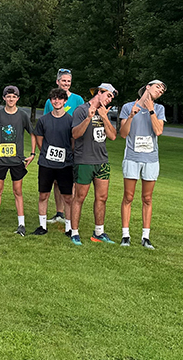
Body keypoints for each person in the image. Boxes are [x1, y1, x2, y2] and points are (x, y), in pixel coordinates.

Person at [119, 80, 167, 249]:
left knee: (147, 198)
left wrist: (151, 109)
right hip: (132, 157)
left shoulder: (159, 109)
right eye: (158, 87)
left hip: (151, 159)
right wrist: (131, 115)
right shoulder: (127, 107)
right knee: (128, 197)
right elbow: (123, 134)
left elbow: (158, 131)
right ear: (148, 87)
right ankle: (126, 235)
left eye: (162, 90)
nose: (160, 91)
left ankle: (145, 237)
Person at [70, 83, 118, 246]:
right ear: (99, 92)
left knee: (102, 198)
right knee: (79, 197)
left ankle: (99, 232)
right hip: (84, 160)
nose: (110, 99)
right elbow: (75, 134)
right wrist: (89, 117)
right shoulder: (81, 110)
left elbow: (112, 136)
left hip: (102, 161)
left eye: (112, 97)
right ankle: (74, 232)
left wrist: (104, 116)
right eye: (108, 95)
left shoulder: (105, 111)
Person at [0, 86, 35, 236]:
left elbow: (33, 133)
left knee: (17, 191)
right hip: (0, 159)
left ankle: (21, 225)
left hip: (17, 160)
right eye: (8, 96)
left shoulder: (22, 115)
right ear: (4, 98)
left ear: (18, 99)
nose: (11, 99)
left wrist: (32, 153)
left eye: (14, 97)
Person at [42, 68, 85, 225]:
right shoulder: (50, 101)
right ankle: (59, 212)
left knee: (70, 181)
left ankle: (71, 213)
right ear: (57, 82)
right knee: (55, 181)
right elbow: (47, 121)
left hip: (72, 144)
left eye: (68, 81)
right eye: (63, 81)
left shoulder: (78, 100)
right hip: (55, 144)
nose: (66, 84)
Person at [33, 88, 74, 236]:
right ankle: (42, 226)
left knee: (68, 197)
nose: (56, 101)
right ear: (51, 101)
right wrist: (45, 154)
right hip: (46, 164)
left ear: (64, 101)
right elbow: (39, 139)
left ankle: (69, 228)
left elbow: (73, 141)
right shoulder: (43, 120)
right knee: (43, 195)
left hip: (65, 164)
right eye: (54, 99)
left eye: (59, 99)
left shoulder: (70, 120)